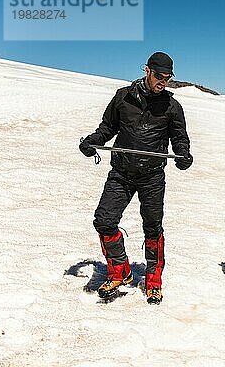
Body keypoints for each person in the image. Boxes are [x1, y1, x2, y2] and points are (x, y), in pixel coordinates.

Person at [79, 52, 193, 305]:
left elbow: (179, 138)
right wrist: (93, 142)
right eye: (159, 76)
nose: (163, 82)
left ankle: (153, 280)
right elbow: (107, 128)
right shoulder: (123, 96)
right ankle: (120, 271)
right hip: (121, 172)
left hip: (152, 177)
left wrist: (183, 154)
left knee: (152, 228)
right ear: (147, 70)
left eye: (168, 78)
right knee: (104, 221)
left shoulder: (171, 106)